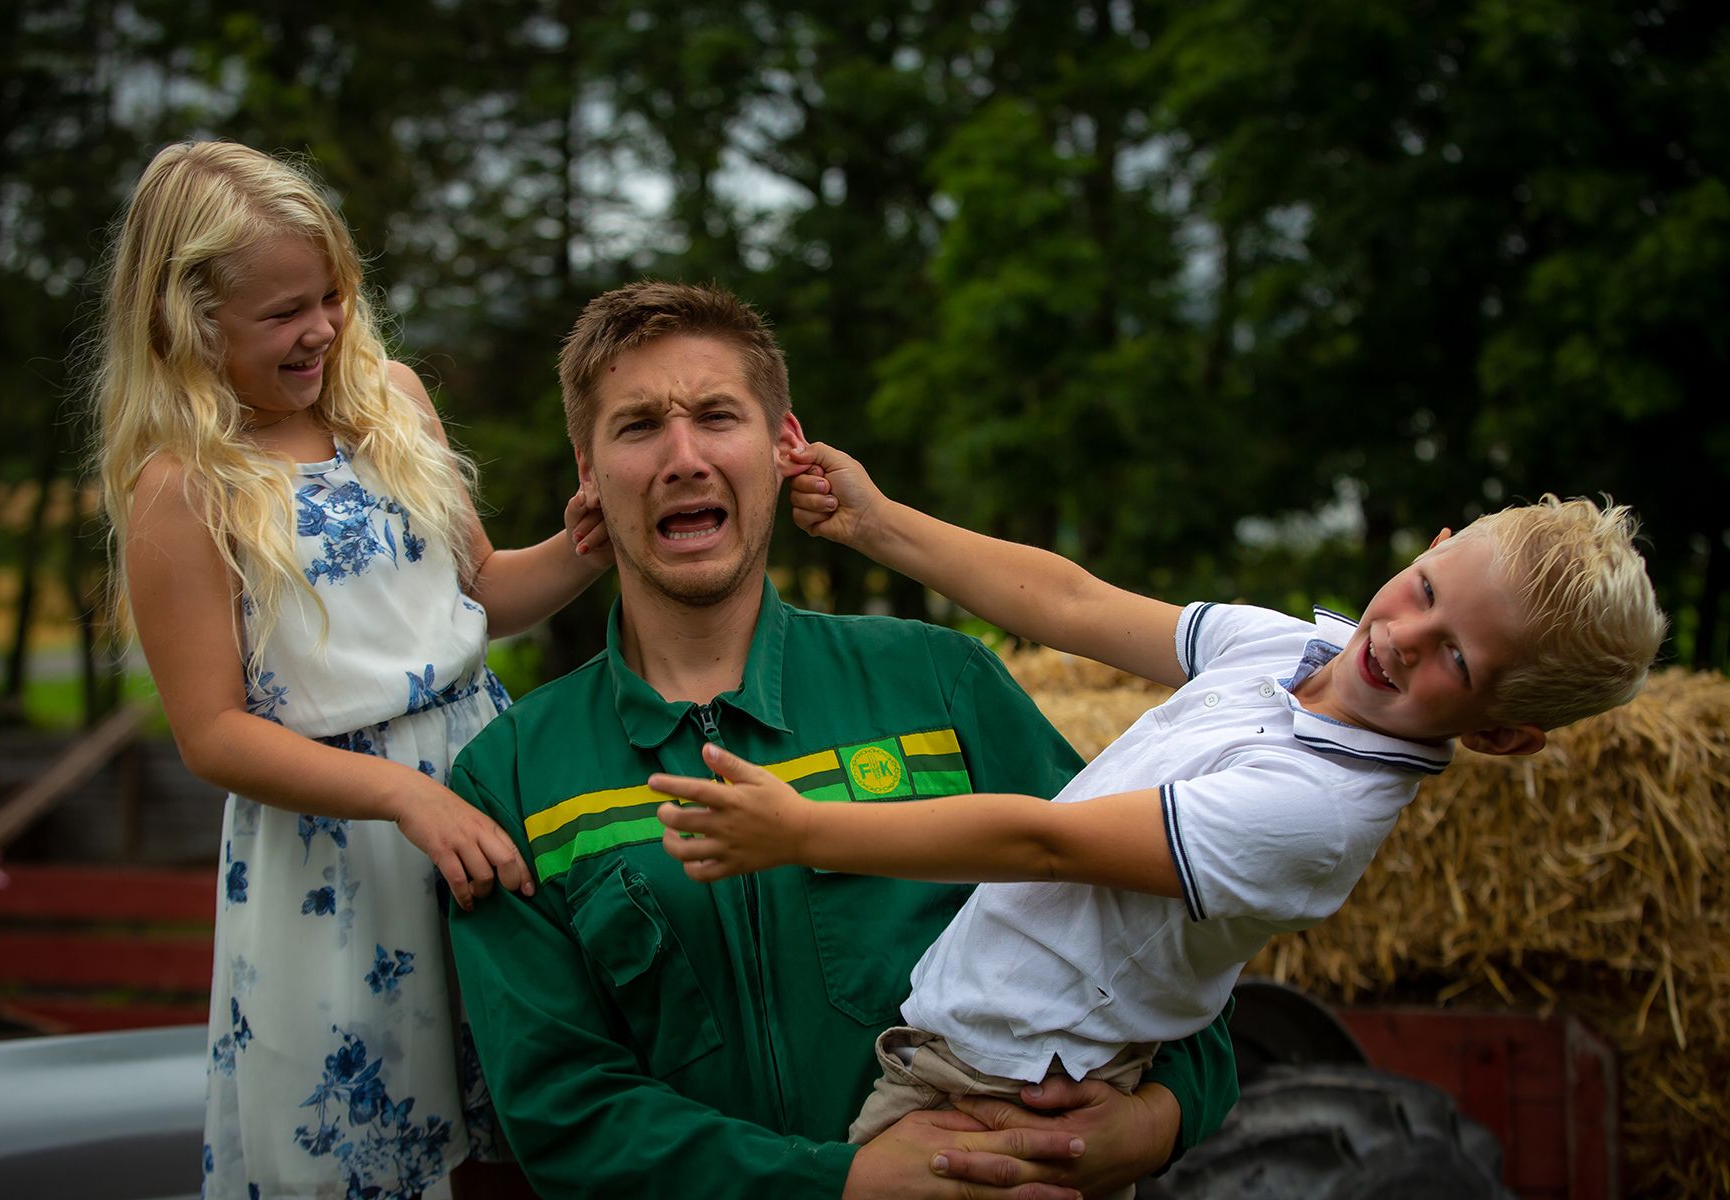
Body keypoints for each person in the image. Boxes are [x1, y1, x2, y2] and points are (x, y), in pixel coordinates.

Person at [653, 444, 1667, 1181]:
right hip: (969, 1054)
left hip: (1000, 1096)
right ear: (1430, 546)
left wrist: (804, 831)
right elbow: (1077, 605)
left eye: (1457, 658)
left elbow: (1043, 842)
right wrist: (879, 524)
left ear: (1497, 735)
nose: (1404, 636)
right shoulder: (1285, 649)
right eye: (1425, 589)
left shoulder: (1317, 813)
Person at [445, 281, 1238, 1200]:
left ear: (784, 447)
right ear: (587, 472)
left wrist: (1159, 1119)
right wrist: (841, 1184)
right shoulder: (511, 777)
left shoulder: (942, 686)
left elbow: (1168, 932)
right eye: (638, 427)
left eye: (717, 416)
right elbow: (565, 1112)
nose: (684, 456)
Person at [90, 141, 610, 1200]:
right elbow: (214, 734)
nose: (321, 329)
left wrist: (585, 544)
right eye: (282, 312)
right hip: (341, 852)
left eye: (330, 295)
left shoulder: (392, 402)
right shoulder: (183, 488)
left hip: (482, 793)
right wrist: (402, 800)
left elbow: (482, 598)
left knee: (526, 1117)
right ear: (186, 319)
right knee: (373, 1155)